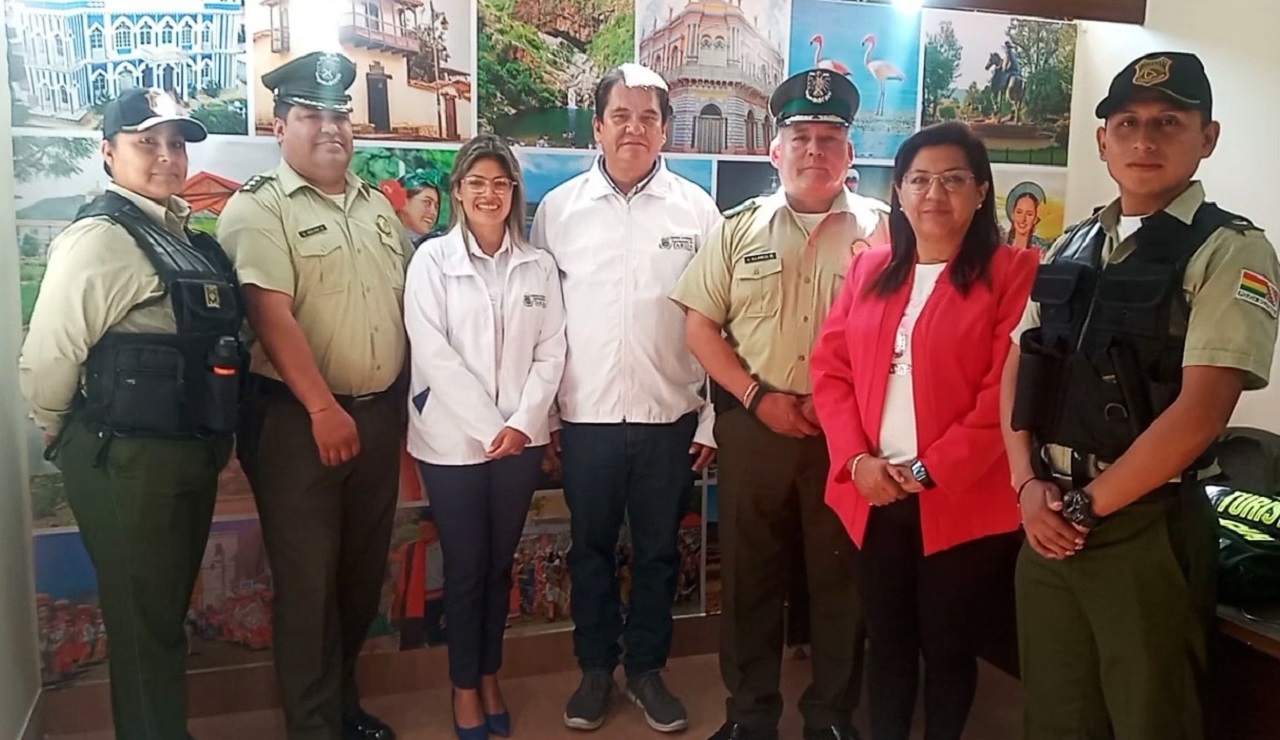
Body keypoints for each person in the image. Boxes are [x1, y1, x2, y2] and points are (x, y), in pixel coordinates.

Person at [1003, 51, 1280, 740]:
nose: (1144, 140)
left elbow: (1201, 412)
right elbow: (1020, 367)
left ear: (1207, 137)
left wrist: (1082, 506)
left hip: (1143, 528)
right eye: (1126, 123)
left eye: (1168, 122)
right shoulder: (1071, 245)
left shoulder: (1227, 249)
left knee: (1149, 717)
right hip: (1048, 517)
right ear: (1103, 142)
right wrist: (1026, 488)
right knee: (1056, 715)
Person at [672, 68, 890, 740]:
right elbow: (699, 326)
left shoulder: (887, 234)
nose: (814, 150)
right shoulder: (737, 230)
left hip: (847, 440)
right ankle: (750, 715)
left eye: (830, 138)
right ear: (775, 150)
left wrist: (845, 412)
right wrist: (755, 396)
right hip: (756, 426)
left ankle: (830, 716)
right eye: (800, 136)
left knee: (840, 583)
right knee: (749, 579)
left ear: (850, 155)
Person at [18, 87, 243, 739]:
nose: (166, 156)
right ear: (109, 152)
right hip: (126, 458)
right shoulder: (99, 240)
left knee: (162, 619)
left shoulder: (184, 237)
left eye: (175, 143)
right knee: (145, 630)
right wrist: (60, 430)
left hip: (183, 451)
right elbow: (49, 357)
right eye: (148, 142)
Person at [811, 122, 1037, 740]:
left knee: (947, 644)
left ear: (982, 191)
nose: (934, 192)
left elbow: (1005, 392)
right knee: (885, 639)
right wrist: (857, 461)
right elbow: (829, 370)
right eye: (919, 179)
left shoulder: (1015, 272)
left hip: (959, 497)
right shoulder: (872, 270)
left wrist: (929, 469)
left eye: (953, 179)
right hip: (873, 492)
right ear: (900, 192)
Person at [216, 51, 411, 740]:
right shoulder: (258, 208)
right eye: (311, 115)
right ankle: (313, 727)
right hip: (301, 424)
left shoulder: (376, 210)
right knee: (307, 586)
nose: (330, 128)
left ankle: (343, 708)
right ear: (280, 124)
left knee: (359, 580)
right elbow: (271, 313)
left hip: (378, 420)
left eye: (339, 115)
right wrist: (324, 408)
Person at [530, 62, 721, 734]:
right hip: (586, 424)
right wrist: (545, 413)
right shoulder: (559, 212)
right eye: (621, 115)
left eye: (648, 116)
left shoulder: (698, 212)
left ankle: (645, 669)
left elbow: (720, 319)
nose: (634, 128)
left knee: (660, 552)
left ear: (666, 128)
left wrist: (712, 418)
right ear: (598, 126)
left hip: (671, 422)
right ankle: (593, 671)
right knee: (588, 549)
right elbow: (541, 320)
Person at [405, 133, 567, 739]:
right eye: (477, 182)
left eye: (501, 183)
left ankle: (490, 672)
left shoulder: (537, 264)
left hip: (518, 445)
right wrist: (490, 426)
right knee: (468, 568)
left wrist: (522, 424)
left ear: (514, 193)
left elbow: (552, 352)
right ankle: (464, 687)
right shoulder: (432, 262)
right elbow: (433, 352)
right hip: (452, 443)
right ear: (457, 192)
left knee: (501, 566)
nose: (489, 193)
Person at [381, 168, 445, 245]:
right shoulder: (381, 240)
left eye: (436, 207)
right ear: (403, 201)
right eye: (427, 202)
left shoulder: (438, 247)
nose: (433, 212)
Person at [1004, 181, 1049, 249]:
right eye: (1019, 212)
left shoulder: (1042, 250)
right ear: (1013, 214)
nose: (1023, 219)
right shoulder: (999, 245)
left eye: (1029, 214)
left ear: (1035, 219)